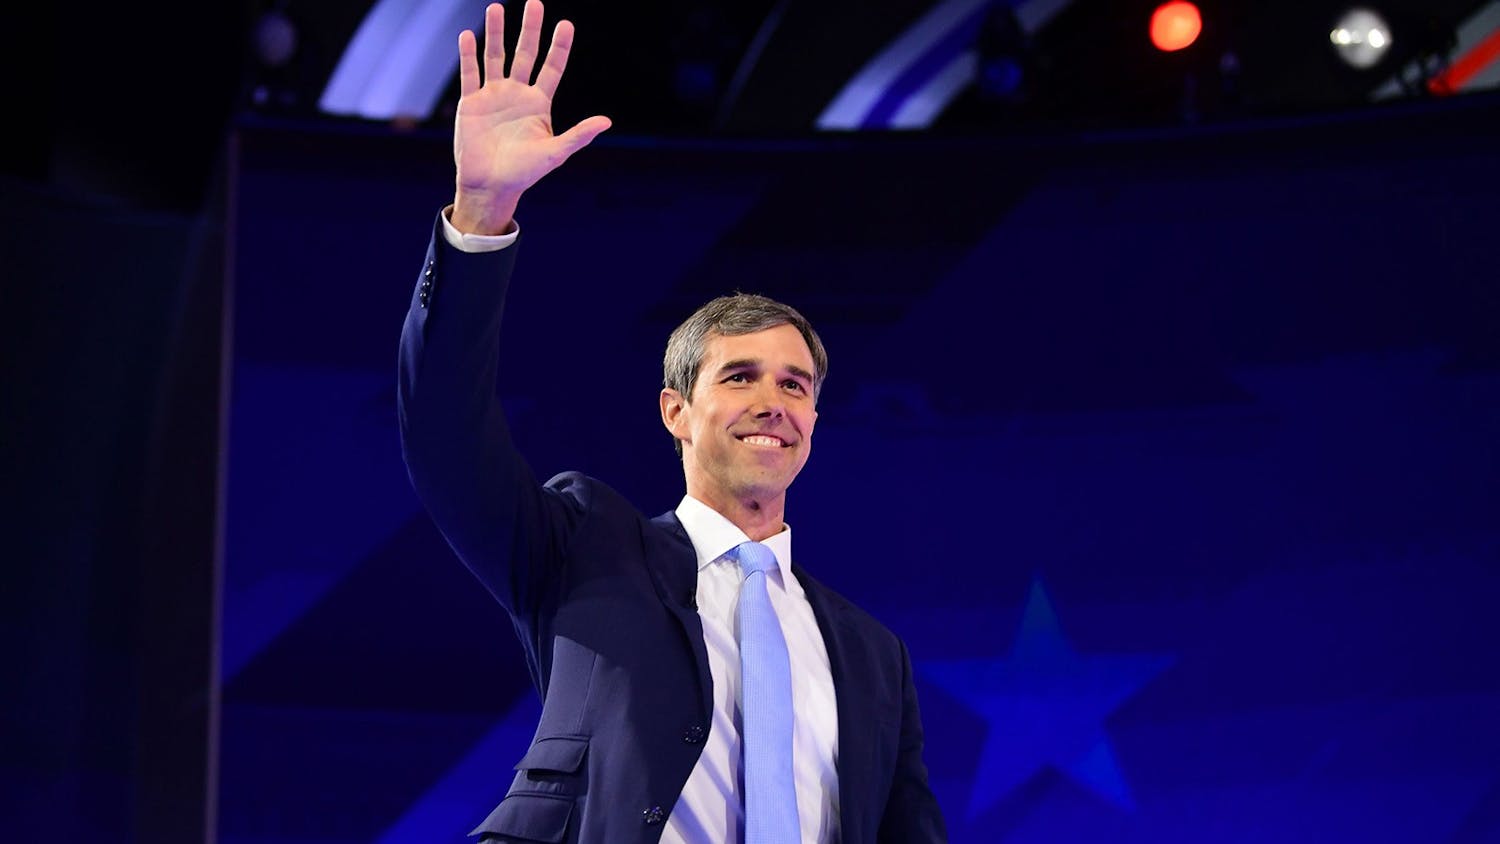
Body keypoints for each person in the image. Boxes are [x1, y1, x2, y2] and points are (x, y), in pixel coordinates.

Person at [397, 2, 948, 841]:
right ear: (675, 411)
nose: (775, 401)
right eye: (741, 376)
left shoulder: (875, 656)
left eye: (796, 385)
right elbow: (443, 433)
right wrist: (481, 211)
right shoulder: (583, 550)